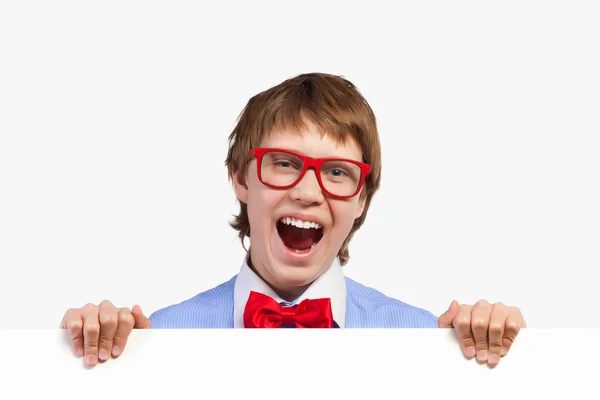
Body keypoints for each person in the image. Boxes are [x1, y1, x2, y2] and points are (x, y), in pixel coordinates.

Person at [60, 72, 526, 368]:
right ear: (241, 178)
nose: (307, 192)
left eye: (337, 172)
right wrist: (83, 356)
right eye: (283, 163)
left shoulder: (429, 342)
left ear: (362, 199)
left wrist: (506, 358)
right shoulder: (153, 342)